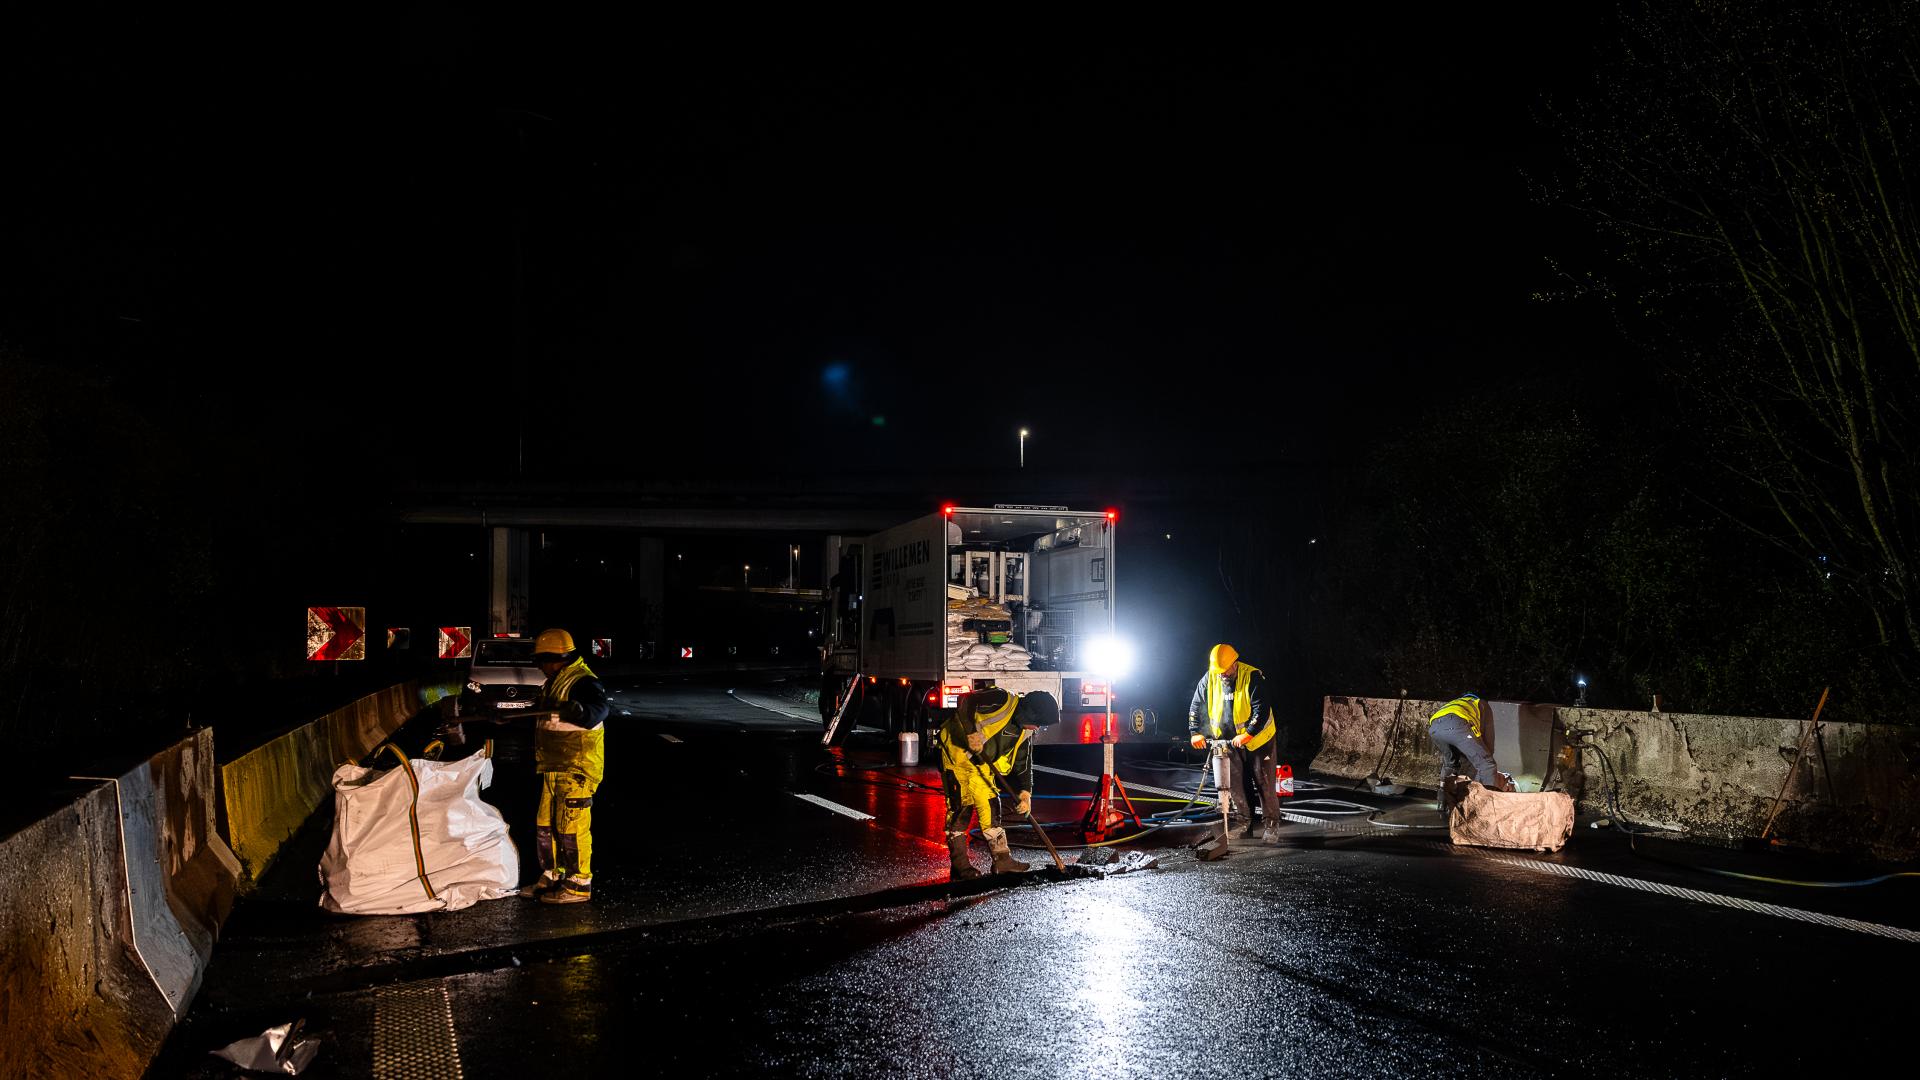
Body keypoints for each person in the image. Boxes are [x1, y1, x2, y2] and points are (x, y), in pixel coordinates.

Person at [523, 628, 610, 904]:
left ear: (555, 658)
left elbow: (600, 708)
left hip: (576, 768)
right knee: (546, 826)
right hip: (554, 766)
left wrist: (581, 711)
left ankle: (578, 885)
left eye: (541, 661)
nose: (539, 667)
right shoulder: (555, 681)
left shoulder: (582, 682)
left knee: (572, 828)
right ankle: (553, 875)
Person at [939, 686, 1061, 880]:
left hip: (981, 766)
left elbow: (1023, 763)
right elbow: (965, 700)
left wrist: (1025, 793)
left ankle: (1002, 861)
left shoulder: (1025, 732)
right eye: (1038, 723)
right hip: (957, 757)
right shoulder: (1001, 699)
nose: (1037, 728)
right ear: (1030, 713)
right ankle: (960, 865)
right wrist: (971, 732)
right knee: (962, 809)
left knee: (991, 807)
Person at [1187, 643, 1283, 843]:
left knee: (1264, 781)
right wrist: (1195, 732)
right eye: (1218, 671)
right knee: (1235, 784)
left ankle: (1271, 826)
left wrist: (1247, 734)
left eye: (1225, 671)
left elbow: (1261, 710)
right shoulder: (1210, 678)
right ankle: (1243, 823)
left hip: (1258, 740)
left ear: (1234, 664)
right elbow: (1196, 705)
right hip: (1227, 741)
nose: (1222, 675)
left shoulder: (1252, 677)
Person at [1427, 692, 1501, 814]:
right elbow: (1488, 748)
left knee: (1450, 764)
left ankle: (1442, 802)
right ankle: (1486, 810)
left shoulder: (1458, 703)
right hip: (1455, 725)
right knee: (1487, 764)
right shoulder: (1481, 704)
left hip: (1434, 728)